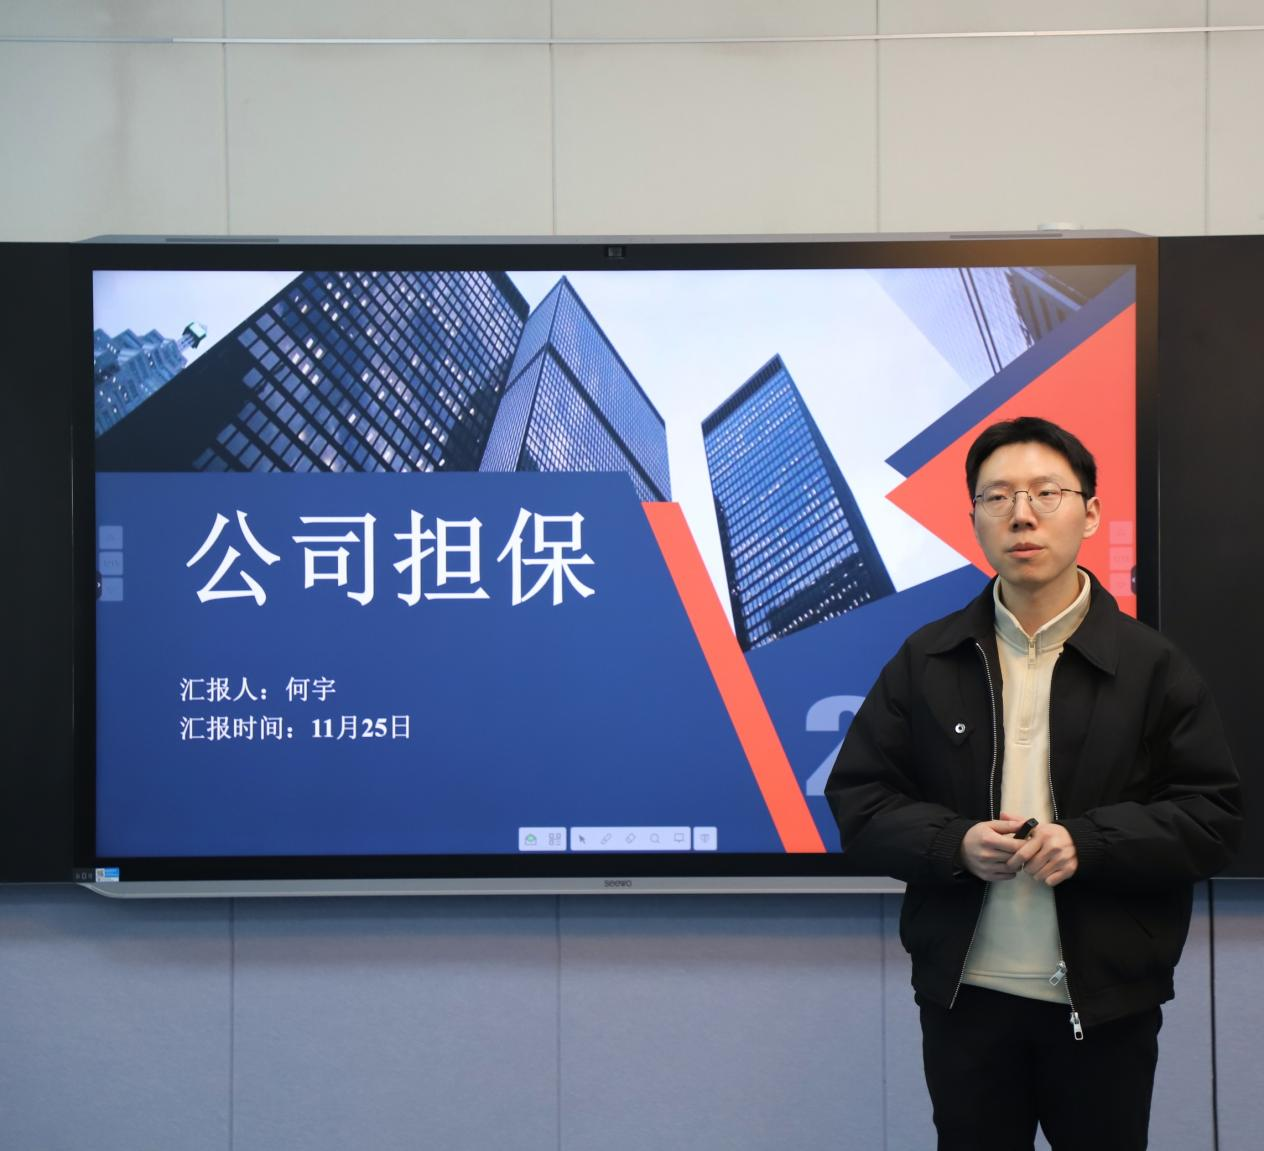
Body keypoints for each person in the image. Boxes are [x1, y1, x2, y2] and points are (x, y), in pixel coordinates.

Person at [825, 416, 1241, 1151]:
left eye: (1046, 492)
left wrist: (1089, 843)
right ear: (975, 520)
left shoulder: (1152, 666)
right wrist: (954, 843)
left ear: (1090, 513)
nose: (1022, 514)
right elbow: (860, 800)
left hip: (1105, 1003)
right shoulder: (928, 659)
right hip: (964, 1000)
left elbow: (1210, 817)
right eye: (998, 497)